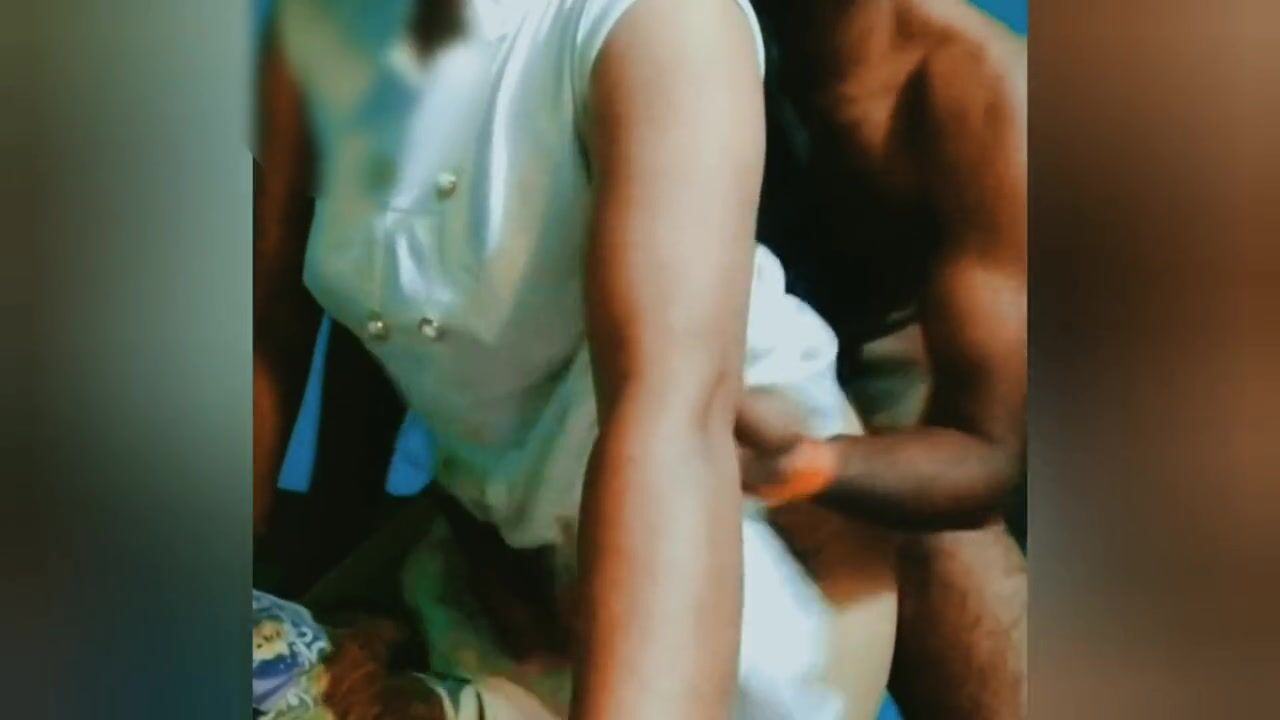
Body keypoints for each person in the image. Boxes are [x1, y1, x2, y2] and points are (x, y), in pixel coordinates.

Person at [254, 0, 898, 718]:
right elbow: (273, 335)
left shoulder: (660, 25)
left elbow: (673, 425)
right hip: (497, 560)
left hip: (742, 569)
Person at [736, 0, 1028, 717]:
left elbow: (986, 455)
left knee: (932, 541)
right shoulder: (644, 31)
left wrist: (806, 465)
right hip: (761, 373)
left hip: (963, 422)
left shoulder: (975, 97)